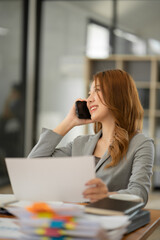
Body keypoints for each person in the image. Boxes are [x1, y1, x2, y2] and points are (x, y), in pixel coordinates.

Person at [28, 69, 154, 205]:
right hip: (75, 219)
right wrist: (68, 122)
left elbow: (139, 194)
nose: (89, 99)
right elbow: (33, 166)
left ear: (117, 94)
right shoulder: (80, 143)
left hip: (111, 220)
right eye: (89, 93)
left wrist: (106, 195)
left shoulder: (141, 144)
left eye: (97, 90)